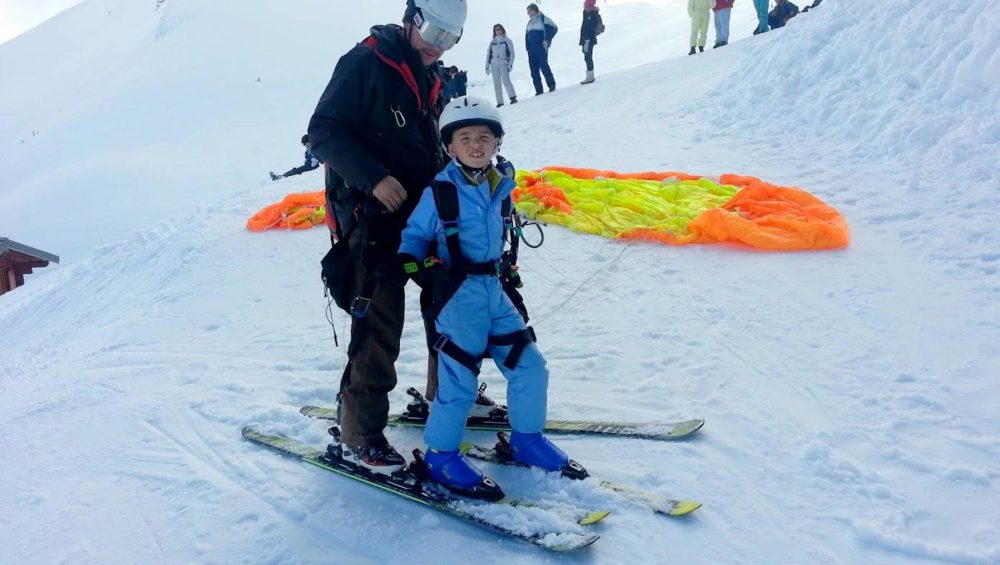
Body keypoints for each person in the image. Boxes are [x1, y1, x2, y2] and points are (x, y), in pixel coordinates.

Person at [306, 0, 468, 474]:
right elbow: (322, 131)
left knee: (453, 303)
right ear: (412, 18)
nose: (439, 48)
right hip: (372, 220)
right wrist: (373, 177)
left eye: (450, 39)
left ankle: (449, 398)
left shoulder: (431, 74)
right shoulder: (366, 62)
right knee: (380, 323)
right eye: (435, 33)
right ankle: (361, 432)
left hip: (423, 216)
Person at [395, 96, 570, 497]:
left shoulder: (500, 184)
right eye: (465, 137)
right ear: (450, 147)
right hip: (458, 297)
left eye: (485, 137)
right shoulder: (440, 192)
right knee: (459, 379)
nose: (476, 144)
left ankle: (526, 439)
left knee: (530, 367)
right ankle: (440, 456)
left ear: (497, 143)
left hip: (494, 290)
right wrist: (412, 262)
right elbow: (415, 235)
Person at [525, 3, 558, 96]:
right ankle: (539, 90)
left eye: (528, 11)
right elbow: (527, 35)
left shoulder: (543, 19)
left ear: (533, 10)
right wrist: (528, 47)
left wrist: (547, 39)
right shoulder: (530, 22)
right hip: (532, 49)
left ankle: (551, 85)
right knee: (533, 69)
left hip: (541, 47)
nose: (528, 14)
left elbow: (554, 28)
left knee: (544, 65)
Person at [486, 23, 518, 107]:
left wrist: (510, 63)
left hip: (503, 63)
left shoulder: (507, 40)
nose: (498, 31)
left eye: (499, 29)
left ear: (502, 30)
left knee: (506, 80)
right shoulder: (493, 42)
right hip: (494, 64)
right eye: (496, 29)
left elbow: (512, 53)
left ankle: (513, 97)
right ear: (494, 31)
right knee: (497, 83)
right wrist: (487, 65)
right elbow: (488, 54)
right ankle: (500, 102)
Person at [579, 0, 603, 85]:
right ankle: (590, 76)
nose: (584, 4)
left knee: (588, 57)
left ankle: (590, 77)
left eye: (585, 3)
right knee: (587, 56)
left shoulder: (593, 14)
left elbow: (590, 29)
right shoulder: (585, 12)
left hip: (589, 40)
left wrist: (587, 40)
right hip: (585, 39)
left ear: (589, 4)